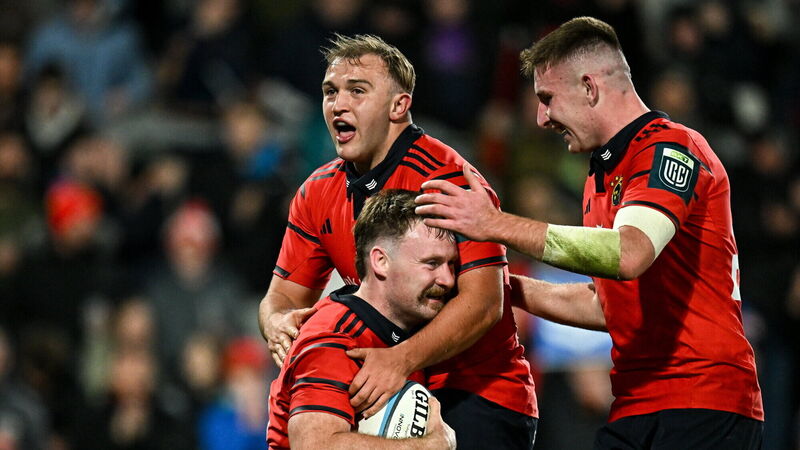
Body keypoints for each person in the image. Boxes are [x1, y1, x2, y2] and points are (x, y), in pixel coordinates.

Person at [415, 16, 764, 449]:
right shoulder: (601, 176)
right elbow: (607, 304)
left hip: (704, 400)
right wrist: (497, 285)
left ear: (588, 87)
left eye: (547, 98)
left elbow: (629, 253)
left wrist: (494, 224)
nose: (541, 118)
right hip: (638, 402)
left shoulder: (670, 147)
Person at [259, 34, 543, 449]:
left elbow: (484, 302)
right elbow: (282, 297)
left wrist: (400, 360)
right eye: (330, 92)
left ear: (398, 106)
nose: (338, 104)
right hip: (390, 384)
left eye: (357, 91)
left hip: (476, 392)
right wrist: (275, 324)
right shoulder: (316, 192)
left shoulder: (448, 181)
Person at [266, 189, 456, 449]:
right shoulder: (335, 338)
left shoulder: (411, 332)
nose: (447, 280)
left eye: (451, 264)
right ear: (381, 261)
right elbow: (314, 444)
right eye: (432, 263)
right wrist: (429, 446)